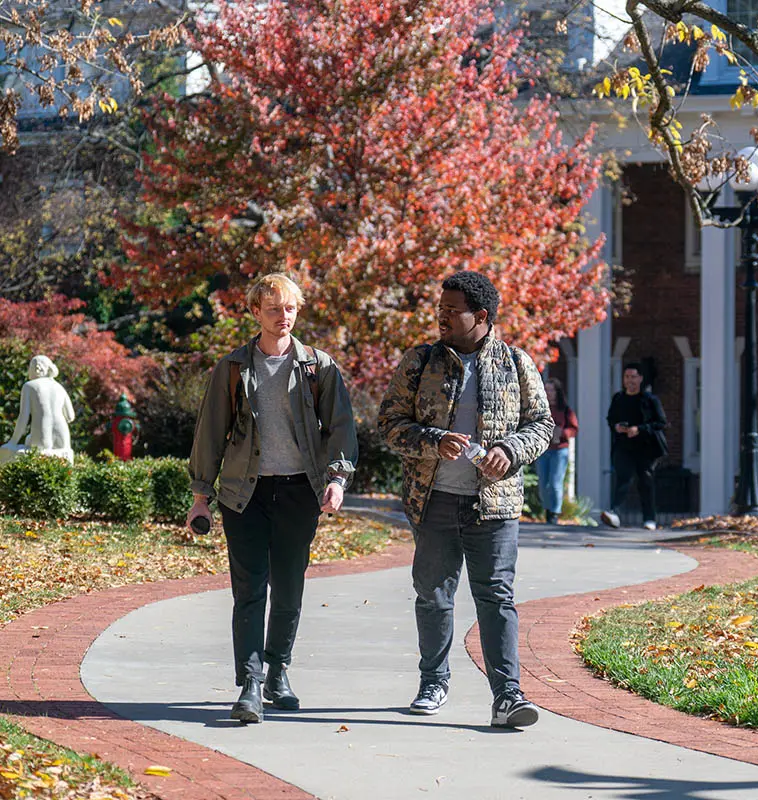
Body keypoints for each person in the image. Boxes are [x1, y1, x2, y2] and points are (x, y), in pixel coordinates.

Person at [378, 271, 554, 729]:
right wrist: (433, 440)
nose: (441, 317)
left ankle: (507, 696)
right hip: (433, 499)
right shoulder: (420, 361)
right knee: (433, 596)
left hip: (494, 506)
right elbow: (390, 423)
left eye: (451, 311)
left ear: (480, 316)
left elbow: (542, 426)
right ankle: (433, 681)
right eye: (440, 309)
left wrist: (508, 451)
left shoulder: (516, 363)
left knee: (496, 597)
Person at [187, 273, 358, 724]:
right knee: (249, 590)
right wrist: (201, 495)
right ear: (255, 312)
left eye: (289, 309)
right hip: (245, 493)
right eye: (272, 309)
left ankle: (278, 670)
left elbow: (341, 428)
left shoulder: (318, 367)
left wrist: (337, 479)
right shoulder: (232, 367)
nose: (282, 317)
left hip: (300, 491)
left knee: (288, 588)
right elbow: (211, 431)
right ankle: (250, 683)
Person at [601, 362, 668, 531]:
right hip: (624, 446)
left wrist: (639, 429)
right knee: (623, 477)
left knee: (645, 481)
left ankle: (649, 518)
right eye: (627, 377)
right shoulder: (618, 398)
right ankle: (614, 512)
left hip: (646, 448)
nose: (630, 380)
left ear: (640, 379)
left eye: (633, 377)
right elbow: (610, 419)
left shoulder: (650, 400)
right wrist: (617, 427)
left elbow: (661, 423)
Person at [0, 355, 75, 465]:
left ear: (37, 368)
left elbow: (24, 417)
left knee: (24, 445)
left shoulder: (29, 386)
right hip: (62, 436)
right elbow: (70, 416)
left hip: (42, 434)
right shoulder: (59, 387)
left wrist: (13, 442)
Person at [536, 378, 578, 524]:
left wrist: (562, 433)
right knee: (543, 483)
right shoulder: (540, 409)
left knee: (555, 483)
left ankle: (554, 512)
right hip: (543, 450)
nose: (549, 393)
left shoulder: (565, 410)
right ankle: (547, 509)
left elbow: (574, 429)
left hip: (559, 451)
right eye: (546, 390)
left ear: (557, 392)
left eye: (551, 390)